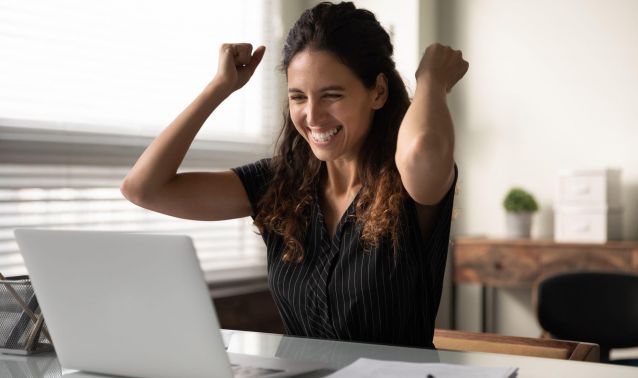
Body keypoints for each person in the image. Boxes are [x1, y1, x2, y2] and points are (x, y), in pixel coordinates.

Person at [121, 1, 468, 348]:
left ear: (377, 92)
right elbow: (144, 188)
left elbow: (423, 149)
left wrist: (431, 80)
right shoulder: (279, 184)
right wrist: (220, 87)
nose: (313, 115)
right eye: (298, 97)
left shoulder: (407, 182)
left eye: (332, 95)